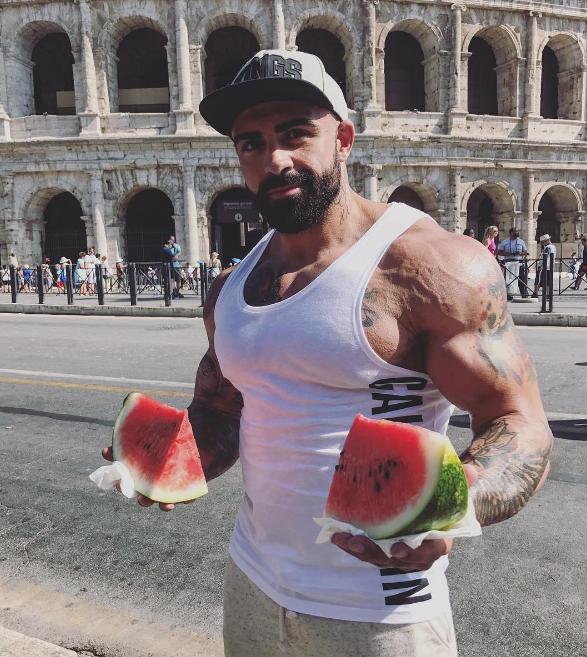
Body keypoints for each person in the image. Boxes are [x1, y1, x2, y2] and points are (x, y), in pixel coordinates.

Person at [102, 49, 552, 657]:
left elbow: (518, 422)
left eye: (295, 134)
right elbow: (220, 412)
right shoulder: (231, 287)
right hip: (253, 583)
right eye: (252, 144)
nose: (275, 160)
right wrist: (162, 465)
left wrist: (454, 505)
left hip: (381, 611)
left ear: (342, 139)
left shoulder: (430, 267)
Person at [497, 227, 528, 300]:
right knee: (508, 280)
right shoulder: (505, 242)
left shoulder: (521, 242)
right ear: (511, 233)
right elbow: (499, 252)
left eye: (517, 231)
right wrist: (509, 253)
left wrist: (521, 253)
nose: (517, 233)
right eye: (515, 232)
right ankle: (509, 295)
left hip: (519, 263)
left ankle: (524, 294)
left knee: (521, 279)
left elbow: (525, 252)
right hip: (508, 264)